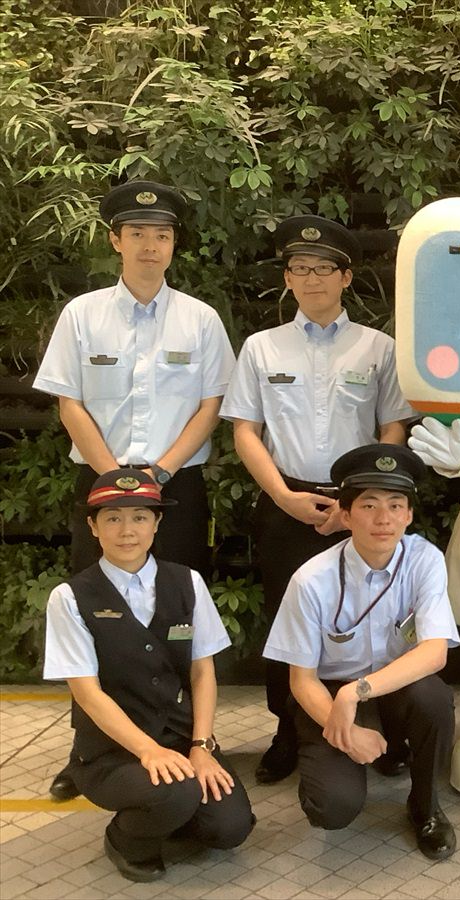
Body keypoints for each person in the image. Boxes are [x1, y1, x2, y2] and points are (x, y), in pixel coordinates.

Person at [33, 180, 236, 800]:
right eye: (138, 233)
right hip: (100, 485)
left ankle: (192, 739)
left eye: (163, 235)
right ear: (116, 240)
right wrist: (113, 481)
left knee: (177, 616)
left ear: (174, 244)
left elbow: (211, 406)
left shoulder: (199, 319)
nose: (151, 245)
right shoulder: (82, 314)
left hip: (175, 488)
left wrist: (159, 476)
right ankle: (88, 750)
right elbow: (69, 403)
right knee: (96, 614)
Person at [220, 214, 411, 785]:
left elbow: (393, 428)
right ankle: (287, 731)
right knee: (288, 619)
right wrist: (283, 496)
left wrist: (360, 506)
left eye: (323, 268)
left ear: (345, 277)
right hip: (288, 502)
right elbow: (245, 431)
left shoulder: (379, 348)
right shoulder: (261, 348)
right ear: (287, 278)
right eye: (299, 268)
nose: (311, 279)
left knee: (377, 614)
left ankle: (388, 727)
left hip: (362, 507)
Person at [42, 468, 254, 882]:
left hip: (180, 736)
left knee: (230, 828)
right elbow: (88, 694)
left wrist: (201, 747)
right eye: (113, 518)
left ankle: (169, 814)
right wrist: (147, 750)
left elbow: (202, 670)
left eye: (139, 517)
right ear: (93, 526)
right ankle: (126, 839)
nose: (127, 531)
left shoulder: (187, 582)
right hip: (110, 750)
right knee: (177, 792)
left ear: (156, 523)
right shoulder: (70, 597)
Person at [262, 444, 459, 859]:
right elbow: (302, 680)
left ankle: (425, 805)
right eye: (369, 505)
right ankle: (341, 753)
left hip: (390, 687)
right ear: (346, 515)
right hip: (329, 694)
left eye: (395, 505)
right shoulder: (311, 580)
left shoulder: (424, 561)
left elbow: (434, 652)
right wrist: (347, 733)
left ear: (409, 514)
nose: (383, 518)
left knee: (433, 697)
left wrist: (357, 692)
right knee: (332, 808)